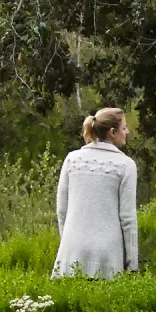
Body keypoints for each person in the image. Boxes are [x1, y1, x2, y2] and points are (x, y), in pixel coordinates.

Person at [52, 107, 138, 279]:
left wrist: (68, 242)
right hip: (108, 256)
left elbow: (62, 211)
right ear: (112, 132)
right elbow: (127, 218)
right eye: (124, 128)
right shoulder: (126, 165)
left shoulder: (72, 159)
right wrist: (132, 263)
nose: (127, 132)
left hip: (71, 251)